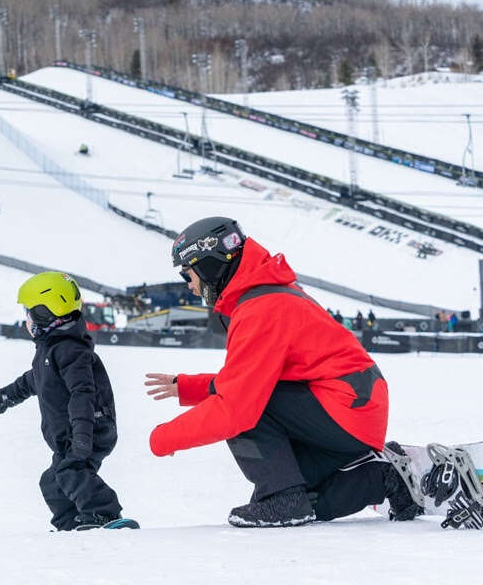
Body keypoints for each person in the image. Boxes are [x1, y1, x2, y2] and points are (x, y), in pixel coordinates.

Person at [145, 216, 421, 528]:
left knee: (248, 416)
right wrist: (189, 388)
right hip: (353, 413)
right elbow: (254, 377)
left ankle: (281, 498)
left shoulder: (261, 308)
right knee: (307, 497)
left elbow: (237, 406)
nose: (190, 285)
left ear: (210, 263)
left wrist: (164, 438)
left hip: (345, 408)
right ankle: (385, 478)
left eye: (188, 274)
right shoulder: (266, 295)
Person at [0, 272, 134, 531]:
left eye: (29, 312)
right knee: (52, 481)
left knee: (71, 472)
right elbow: (35, 379)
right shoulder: (50, 349)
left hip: (89, 429)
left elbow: (83, 393)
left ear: (45, 313)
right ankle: (72, 522)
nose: (26, 319)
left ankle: (105, 514)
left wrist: (81, 435)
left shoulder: (71, 351)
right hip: (70, 434)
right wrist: (8, 395)